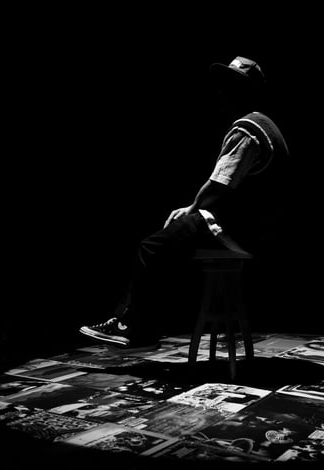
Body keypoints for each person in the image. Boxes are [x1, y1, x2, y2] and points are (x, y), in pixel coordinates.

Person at [79, 56, 289, 352]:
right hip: (258, 232)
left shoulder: (248, 128)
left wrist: (191, 208)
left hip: (237, 230)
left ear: (247, 92)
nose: (222, 92)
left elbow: (220, 184)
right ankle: (141, 324)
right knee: (169, 249)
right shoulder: (268, 126)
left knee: (151, 248)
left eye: (231, 86)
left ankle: (132, 328)